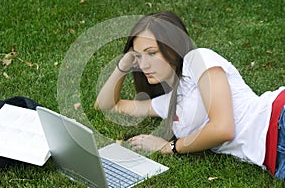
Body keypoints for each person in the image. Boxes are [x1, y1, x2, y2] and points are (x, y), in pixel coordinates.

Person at [95, 11, 285, 179]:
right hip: (274, 158)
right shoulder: (169, 103)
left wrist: (168, 147)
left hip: (277, 119)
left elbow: (223, 128)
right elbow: (107, 105)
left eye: (151, 53)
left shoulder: (198, 59)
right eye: (138, 56)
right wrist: (123, 65)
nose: (143, 65)